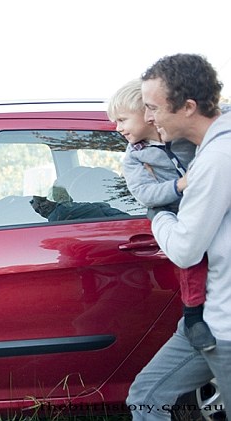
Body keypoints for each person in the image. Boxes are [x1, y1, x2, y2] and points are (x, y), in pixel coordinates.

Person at [127, 53, 231, 420]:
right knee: (146, 395)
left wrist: (158, 216)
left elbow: (185, 249)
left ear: (188, 107)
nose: (148, 117)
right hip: (207, 317)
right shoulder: (207, 151)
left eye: (153, 107)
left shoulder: (218, 157)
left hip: (226, 326)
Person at [107, 78, 215, 352]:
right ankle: (193, 317)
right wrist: (179, 186)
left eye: (122, 119)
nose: (117, 128)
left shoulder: (183, 136)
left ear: (148, 113)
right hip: (178, 213)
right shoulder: (135, 157)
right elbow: (145, 194)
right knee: (191, 260)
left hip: (210, 204)